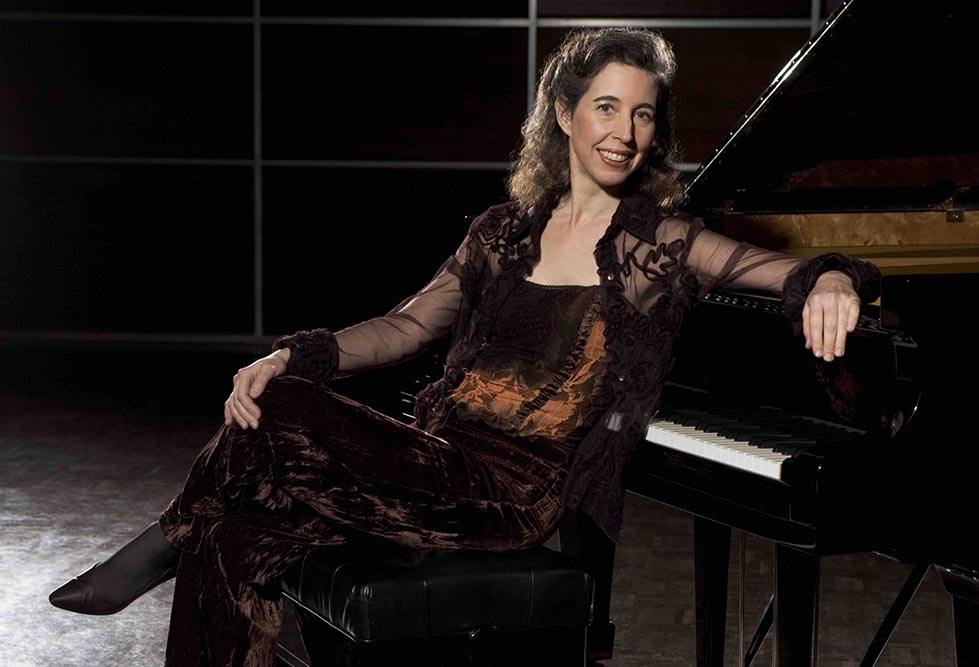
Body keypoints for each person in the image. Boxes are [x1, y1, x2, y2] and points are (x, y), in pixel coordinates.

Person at [49, 27, 880, 666]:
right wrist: (289, 354)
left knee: (283, 412)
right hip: (436, 458)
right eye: (606, 107)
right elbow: (407, 326)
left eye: (642, 113)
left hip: (510, 494)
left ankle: (162, 540)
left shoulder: (654, 244)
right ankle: (187, 538)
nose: (625, 131)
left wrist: (833, 279)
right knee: (236, 531)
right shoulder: (501, 233)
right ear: (565, 115)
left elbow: (775, 268)